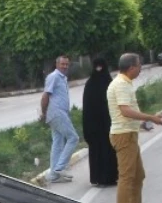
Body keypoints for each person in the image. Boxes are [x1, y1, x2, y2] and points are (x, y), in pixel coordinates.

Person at [107, 53, 162, 203]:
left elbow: (126, 112)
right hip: (123, 135)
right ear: (131, 67)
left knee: (138, 175)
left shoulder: (125, 83)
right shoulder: (121, 85)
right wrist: (149, 117)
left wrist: (141, 124)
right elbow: (125, 110)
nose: (140, 69)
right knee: (126, 177)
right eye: (139, 65)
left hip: (129, 133)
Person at [39, 54, 78, 184]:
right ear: (57, 64)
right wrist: (43, 113)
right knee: (73, 138)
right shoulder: (54, 77)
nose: (65, 66)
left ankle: (53, 176)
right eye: (62, 64)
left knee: (58, 141)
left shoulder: (62, 78)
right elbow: (45, 96)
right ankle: (59, 168)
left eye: (67, 64)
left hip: (61, 113)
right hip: (56, 113)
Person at [81, 57, 119, 187]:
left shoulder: (106, 83)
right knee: (100, 149)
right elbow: (86, 108)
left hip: (106, 125)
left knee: (107, 149)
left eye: (100, 67)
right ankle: (100, 177)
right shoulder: (92, 84)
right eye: (96, 67)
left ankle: (109, 177)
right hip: (97, 126)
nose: (98, 70)